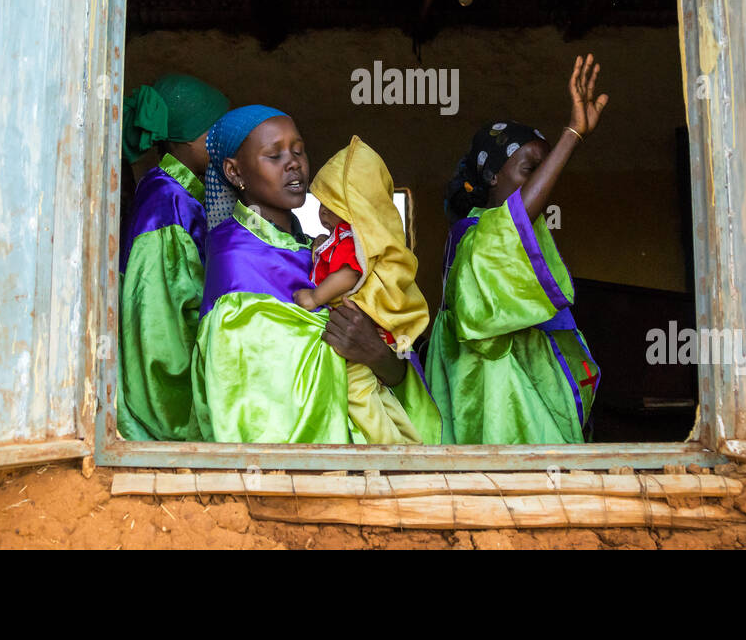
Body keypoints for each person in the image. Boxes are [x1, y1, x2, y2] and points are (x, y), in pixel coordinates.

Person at [193, 106, 439, 444]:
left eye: (298, 150)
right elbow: (256, 394)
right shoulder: (235, 257)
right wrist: (352, 347)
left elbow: (395, 363)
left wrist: (377, 353)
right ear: (235, 172)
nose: (293, 163)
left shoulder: (321, 251)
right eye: (274, 155)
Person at [426, 54, 608, 445]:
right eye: (531, 169)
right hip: (495, 402)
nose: (543, 182)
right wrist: (572, 135)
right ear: (493, 174)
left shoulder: (508, 235)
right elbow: (512, 220)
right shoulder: (477, 237)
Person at [296, 136, 436, 444]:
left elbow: (348, 272)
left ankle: (393, 450)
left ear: (354, 208)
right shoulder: (342, 239)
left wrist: (315, 297)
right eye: (320, 204)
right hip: (360, 345)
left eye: (330, 205)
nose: (321, 213)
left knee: (360, 394)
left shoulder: (354, 242)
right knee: (375, 396)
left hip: (357, 342)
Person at [117, 73, 230, 441]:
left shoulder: (186, 194)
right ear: (187, 139)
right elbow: (158, 321)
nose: (226, 143)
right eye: (216, 133)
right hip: (164, 391)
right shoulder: (167, 201)